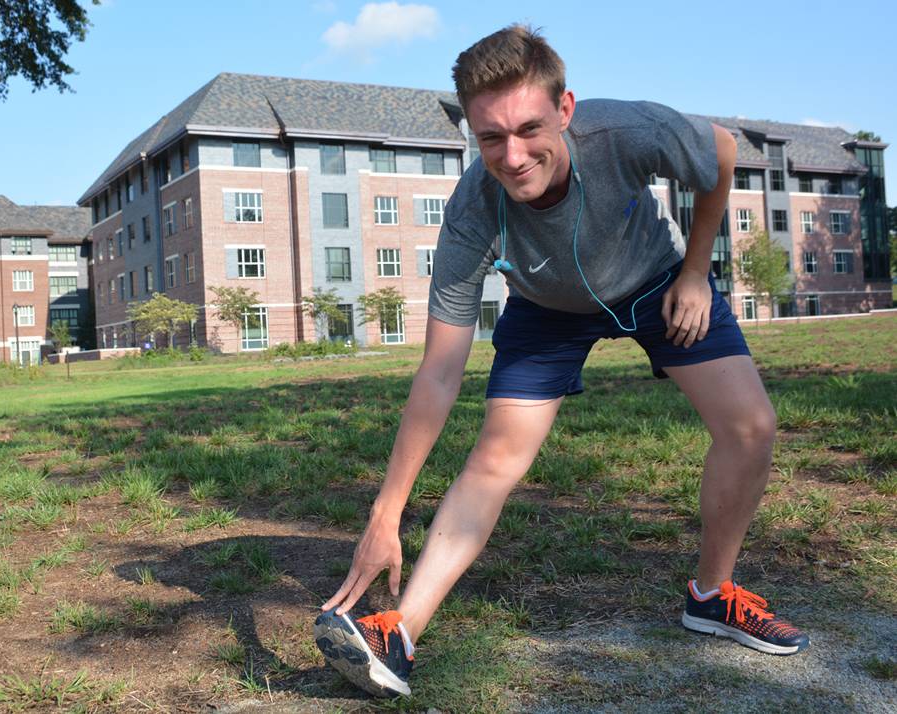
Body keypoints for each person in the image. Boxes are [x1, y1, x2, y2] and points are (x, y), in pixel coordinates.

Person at [313, 24, 809, 699]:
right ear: (471, 133)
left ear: (566, 110)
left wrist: (697, 271)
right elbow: (438, 371)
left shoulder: (626, 133)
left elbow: (720, 152)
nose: (513, 156)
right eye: (490, 137)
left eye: (528, 129)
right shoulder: (469, 214)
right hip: (546, 310)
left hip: (656, 282)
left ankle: (712, 593)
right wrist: (385, 513)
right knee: (495, 460)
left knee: (751, 426)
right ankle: (395, 633)